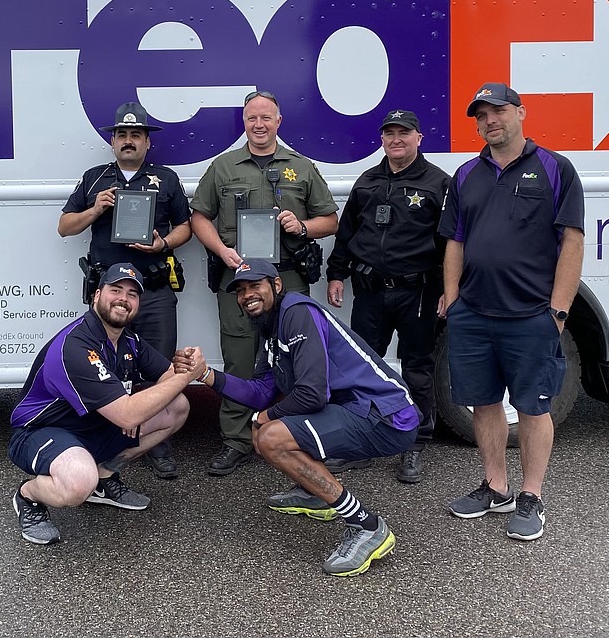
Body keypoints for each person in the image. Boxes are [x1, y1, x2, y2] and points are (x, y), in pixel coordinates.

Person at [179, 260, 419, 576]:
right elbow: (259, 392)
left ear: (276, 286)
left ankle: (366, 526)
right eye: (240, 290)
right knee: (266, 429)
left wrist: (264, 417)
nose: (246, 295)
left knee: (270, 437)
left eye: (255, 286)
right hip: (358, 409)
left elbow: (312, 394)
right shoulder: (271, 328)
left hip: (387, 416)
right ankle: (316, 493)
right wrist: (206, 374)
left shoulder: (296, 312)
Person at [438, 82, 585, 542]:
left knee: (533, 407)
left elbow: (573, 242)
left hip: (530, 315)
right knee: (483, 402)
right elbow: (455, 240)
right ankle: (496, 487)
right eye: (480, 116)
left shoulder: (555, 169)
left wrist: (558, 312)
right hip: (475, 315)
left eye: (497, 111)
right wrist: (453, 297)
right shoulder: (466, 175)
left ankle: (532, 497)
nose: (489, 122)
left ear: (521, 113)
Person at [190, 90, 339, 475]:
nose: (259, 124)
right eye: (252, 118)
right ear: (244, 122)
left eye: (266, 118)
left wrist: (301, 225)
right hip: (238, 277)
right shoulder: (223, 167)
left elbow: (330, 220)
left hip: (286, 276)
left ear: (278, 121)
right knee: (240, 356)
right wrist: (222, 251)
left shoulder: (300, 167)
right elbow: (199, 217)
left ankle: (295, 437)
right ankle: (237, 440)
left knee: (299, 358)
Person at [7, 264, 203, 545]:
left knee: (177, 407)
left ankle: (104, 478)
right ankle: (28, 496)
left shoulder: (129, 340)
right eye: (116, 290)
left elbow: (169, 378)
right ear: (96, 296)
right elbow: (127, 414)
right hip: (41, 431)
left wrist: (184, 367)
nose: (124, 298)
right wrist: (186, 377)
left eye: (132, 294)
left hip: (94, 426)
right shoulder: (76, 345)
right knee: (77, 483)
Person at [57, 102, 191, 478]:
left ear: (148, 142)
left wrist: (162, 244)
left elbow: (186, 227)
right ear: (112, 141)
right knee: (103, 369)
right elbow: (65, 227)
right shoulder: (95, 179)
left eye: (136, 135)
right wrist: (95, 210)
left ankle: (157, 445)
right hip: (108, 298)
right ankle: (105, 440)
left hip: (152, 291)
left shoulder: (166, 178)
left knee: (158, 367)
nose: (128, 141)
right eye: (122, 135)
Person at [325, 109, 450, 484]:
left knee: (417, 370)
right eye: (389, 133)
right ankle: (360, 441)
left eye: (404, 133)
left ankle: (415, 442)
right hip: (370, 291)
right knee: (361, 367)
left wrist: (449, 290)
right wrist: (336, 275)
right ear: (382, 139)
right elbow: (346, 234)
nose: (396, 139)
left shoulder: (438, 184)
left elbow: (450, 244)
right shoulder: (368, 181)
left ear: (418, 138)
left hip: (418, 292)